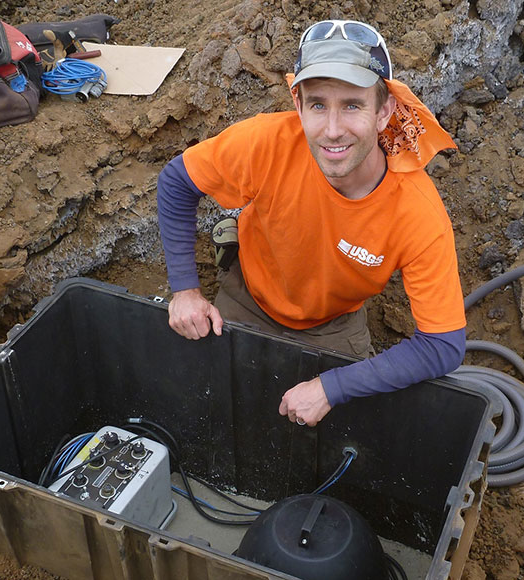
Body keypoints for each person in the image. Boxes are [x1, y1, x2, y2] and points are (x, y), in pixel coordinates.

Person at [156, 19, 466, 427]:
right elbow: (177, 181)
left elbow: (442, 345)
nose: (333, 131)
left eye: (353, 105)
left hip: (333, 325)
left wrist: (331, 387)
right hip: (249, 298)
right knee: (216, 409)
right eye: (318, 104)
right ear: (298, 105)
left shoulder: (416, 211)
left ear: (384, 111)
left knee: (335, 435)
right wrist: (185, 290)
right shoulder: (267, 144)